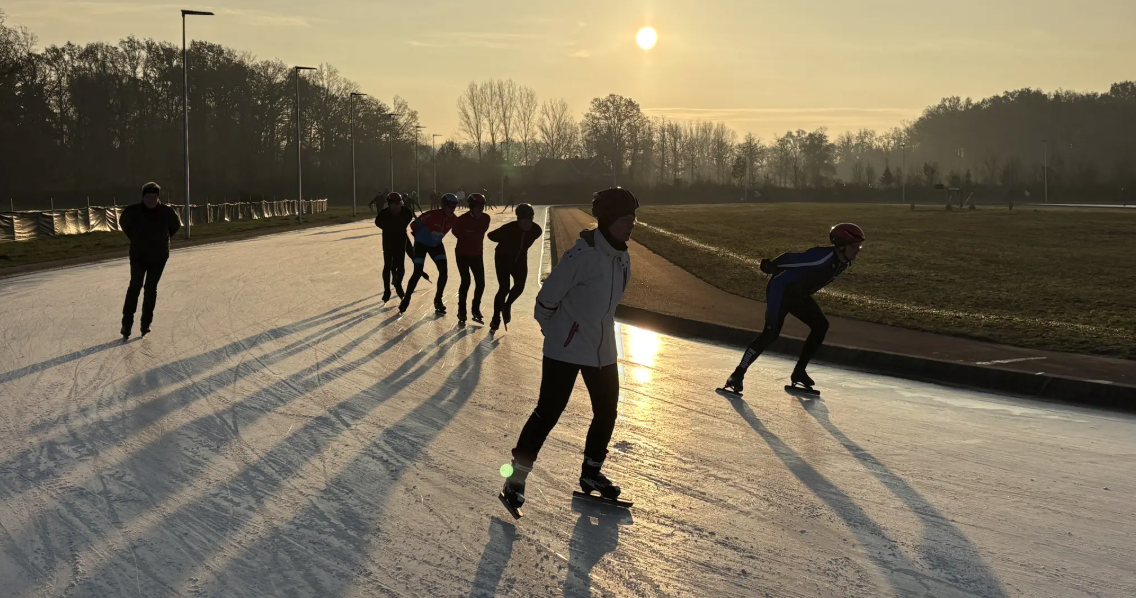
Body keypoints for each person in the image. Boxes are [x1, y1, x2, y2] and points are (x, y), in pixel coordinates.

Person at [499, 188, 638, 517]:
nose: (630, 225)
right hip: (566, 347)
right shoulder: (582, 255)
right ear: (606, 220)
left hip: (603, 348)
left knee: (607, 412)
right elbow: (545, 301)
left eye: (633, 219)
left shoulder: (622, 255)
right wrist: (558, 331)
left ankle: (591, 472)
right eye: (624, 219)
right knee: (548, 412)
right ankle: (515, 479)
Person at [720, 223, 865, 394]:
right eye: (855, 246)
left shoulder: (841, 263)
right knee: (770, 334)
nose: (858, 250)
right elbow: (792, 258)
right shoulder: (822, 257)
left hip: (798, 295)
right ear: (841, 246)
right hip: (780, 290)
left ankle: (799, 372)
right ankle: (737, 375)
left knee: (820, 326)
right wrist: (772, 266)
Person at [120, 181, 181, 339]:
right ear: (143, 197)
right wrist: (135, 238)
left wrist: (163, 240)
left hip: (158, 257)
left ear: (158, 197)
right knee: (135, 286)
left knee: (150, 288)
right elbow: (124, 224)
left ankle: (145, 323)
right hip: (138, 255)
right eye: (148, 197)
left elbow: (175, 226)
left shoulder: (167, 212)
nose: (151, 200)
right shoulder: (133, 211)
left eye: (154, 197)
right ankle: (126, 324)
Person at [400, 192, 459, 314]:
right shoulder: (432, 215)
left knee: (444, 271)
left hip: (436, 245)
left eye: (454, 206)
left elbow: (460, 231)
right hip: (421, 244)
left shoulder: (454, 219)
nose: (452, 209)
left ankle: (438, 299)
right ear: (443, 205)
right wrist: (419, 237)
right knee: (417, 272)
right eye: (450, 206)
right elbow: (413, 225)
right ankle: (406, 298)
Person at [487, 203, 542, 332]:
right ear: (518, 219)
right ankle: (495, 318)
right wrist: (505, 239)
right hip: (503, 259)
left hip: (520, 259)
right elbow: (491, 236)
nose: (528, 223)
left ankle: (507, 306)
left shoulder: (536, 230)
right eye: (525, 220)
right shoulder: (509, 228)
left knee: (520, 286)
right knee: (504, 288)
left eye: (530, 219)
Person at [452, 193, 491, 324]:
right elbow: (455, 232)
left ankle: (475, 309)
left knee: (480, 283)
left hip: (477, 255)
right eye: (478, 207)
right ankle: (461, 310)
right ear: (471, 207)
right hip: (462, 254)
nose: (481, 210)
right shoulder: (462, 219)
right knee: (466, 281)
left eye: (482, 207)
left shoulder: (486, 218)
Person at [374, 192, 415, 301]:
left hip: (401, 239)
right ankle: (387, 290)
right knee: (388, 265)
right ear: (389, 204)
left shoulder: (406, 212)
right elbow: (378, 223)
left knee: (400, 265)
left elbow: (405, 224)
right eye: (394, 204)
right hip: (388, 241)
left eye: (399, 204)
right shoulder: (382, 215)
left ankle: (398, 285)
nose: (397, 207)